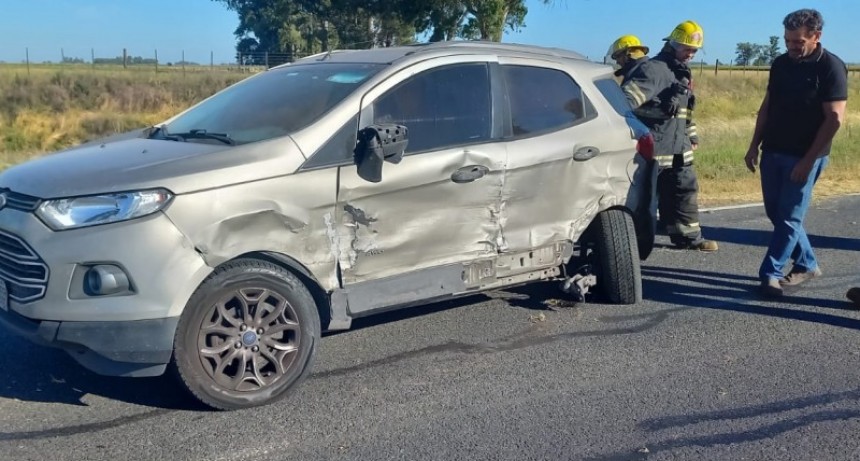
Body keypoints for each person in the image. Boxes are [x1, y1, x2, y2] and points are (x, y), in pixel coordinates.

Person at [744, 9, 848, 298]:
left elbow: (834, 119)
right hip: (773, 150)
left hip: (805, 154)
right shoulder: (780, 64)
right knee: (776, 213)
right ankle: (807, 263)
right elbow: (767, 106)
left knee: (789, 216)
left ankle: (770, 274)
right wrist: (754, 145)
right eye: (788, 40)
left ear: (817, 36)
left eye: (798, 41)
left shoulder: (831, 67)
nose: (792, 46)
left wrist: (807, 161)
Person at [619, 21, 718, 252]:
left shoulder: (681, 71)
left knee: (684, 191)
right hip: (655, 149)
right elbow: (625, 105)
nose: (690, 54)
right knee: (646, 199)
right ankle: (631, 246)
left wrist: (692, 136)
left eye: (694, 50)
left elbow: (685, 112)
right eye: (686, 48)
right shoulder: (655, 70)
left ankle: (688, 237)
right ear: (672, 44)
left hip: (679, 147)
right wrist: (660, 110)